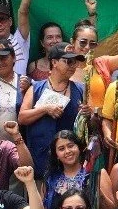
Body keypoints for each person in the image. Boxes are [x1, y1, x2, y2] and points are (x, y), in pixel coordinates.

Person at [19, 43, 83, 178]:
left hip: (70, 162)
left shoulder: (81, 89)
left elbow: (91, 126)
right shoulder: (35, 88)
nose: (73, 66)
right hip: (40, 160)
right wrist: (45, 109)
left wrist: (88, 115)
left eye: (75, 62)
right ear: (54, 62)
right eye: (69, 61)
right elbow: (22, 118)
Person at [43, 131, 89, 209]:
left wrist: (96, 187)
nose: (67, 151)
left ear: (79, 147)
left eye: (71, 146)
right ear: (56, 154)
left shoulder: (93, 174)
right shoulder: (50, 179)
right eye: (61, 149)